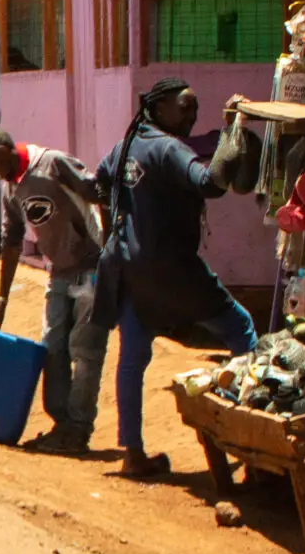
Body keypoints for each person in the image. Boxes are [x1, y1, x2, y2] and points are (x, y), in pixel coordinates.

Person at [94, 79, 255, 478]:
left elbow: (99, 183)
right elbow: (211, 184)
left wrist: (120, 232)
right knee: (241, 329)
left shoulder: (125, 146)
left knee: (132, 359)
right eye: (185, 107)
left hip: (131, 271)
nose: (192, 114)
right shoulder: (168, 148)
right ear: (159, 108)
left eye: (195, 108)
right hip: (173, 270)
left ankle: (132, 453)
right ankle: (254, 436)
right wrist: (235, 131)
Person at [0, 128, 108, 451]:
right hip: (58, 273)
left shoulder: (52, 163)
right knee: (51, 348)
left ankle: (78, 430)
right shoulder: (11, 186)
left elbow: (99, 193)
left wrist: (111, 250)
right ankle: (61, 425)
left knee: (85, 351)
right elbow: (11, 243)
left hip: (92, 269)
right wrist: (1, 301)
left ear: (6, 149)